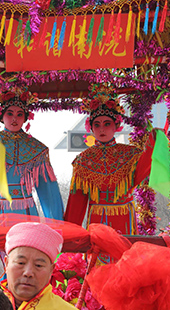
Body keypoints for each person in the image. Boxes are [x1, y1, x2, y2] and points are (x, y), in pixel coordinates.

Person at [0, 87, 64, 283]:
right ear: (1, 116)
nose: (14, 119)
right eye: (10, 113)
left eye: (19, 114)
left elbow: (48, 193)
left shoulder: (37, 149)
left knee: (25, 255)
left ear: (26, 117)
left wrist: (55, 225)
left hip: (25, 211)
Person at [64, 85, 154, 234]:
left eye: (107, 124)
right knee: (98, 248)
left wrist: (153, 142)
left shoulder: (131, 154)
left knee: (124, 248)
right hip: (97, 220)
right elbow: (76, 204)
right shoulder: (82, 160)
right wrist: (70, 234)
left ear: (116, 126)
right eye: (97, 125)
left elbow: (143, 171)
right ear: (91, 128)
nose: (102, 129)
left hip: (124, 217)